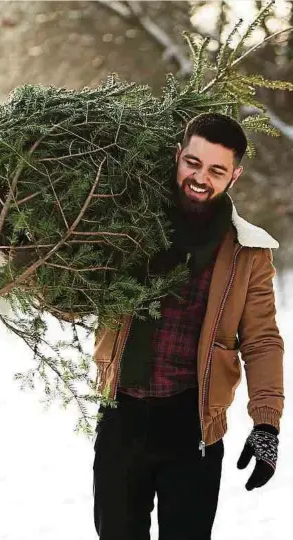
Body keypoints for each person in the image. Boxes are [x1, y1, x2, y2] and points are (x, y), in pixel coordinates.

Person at [92, 112, 284, 540]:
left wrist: (266, 421)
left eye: (216, 170)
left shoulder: (248, 252)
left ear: (235, 175)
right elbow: (77, 292)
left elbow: (262, 341)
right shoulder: (129, 226)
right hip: (121, 415)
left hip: (193, 426)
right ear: (177, 156)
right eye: (192, 163)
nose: (201, 177)